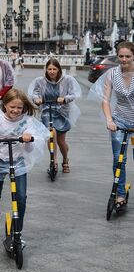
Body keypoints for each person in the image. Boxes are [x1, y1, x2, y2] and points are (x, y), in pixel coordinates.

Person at [0, 89, 48, 249]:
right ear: (5, 105)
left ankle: (17, 234)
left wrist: (27, 140)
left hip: (18, 162)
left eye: (19, 108)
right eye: (12, 107)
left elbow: (28, 150)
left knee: (20, 198)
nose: (15, 111)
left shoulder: (27, 122)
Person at [90, 41, 134, 209]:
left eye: (128, 56)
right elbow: (106, 100)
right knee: (118, 159)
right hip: (120, 119)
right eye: (121, 56)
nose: (124, 60)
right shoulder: (112, 74)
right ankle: (120, 193)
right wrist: (109, 120)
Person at [28, 58, 82, 173]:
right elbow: (35, 93)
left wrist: (65, 99)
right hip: (47, 110)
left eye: (54, 69)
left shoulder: (67, 79)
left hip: (62, 111)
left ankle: (65, 159)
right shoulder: (40, 81)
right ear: (46, 70)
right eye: (49, 69)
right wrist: (36, 99)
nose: (51, 71)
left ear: (59, 70)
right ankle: (54, 160)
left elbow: (74, 93)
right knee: (51, 133)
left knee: (61, 141)